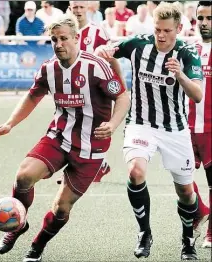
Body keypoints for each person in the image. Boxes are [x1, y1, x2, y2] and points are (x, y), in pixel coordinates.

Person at [0, 14, 130, 262]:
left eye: (64, 38)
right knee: (23, 176)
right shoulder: (48, 68)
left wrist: (113, 123)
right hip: (59, 136)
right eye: (54, 39)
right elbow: (33, 96)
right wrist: (10, 123)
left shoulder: (95, 67)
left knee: (61, 207)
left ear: (77, 39)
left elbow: (122, 97)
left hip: (91, 147)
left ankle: (37, 246)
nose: (58, 44)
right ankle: (18, 224)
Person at [95, 2, 203, 260]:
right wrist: (103, 50)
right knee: (136, 172)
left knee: (186, 192)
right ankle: (144, 233)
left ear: (178, 28)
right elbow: (107, 49)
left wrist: (181, 76)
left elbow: (197, 95)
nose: (161, 36)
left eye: (167, 30)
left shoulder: (187, 53)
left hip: (175, 129)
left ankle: (188, 240)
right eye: (157, 30)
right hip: (140, 123)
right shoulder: (138, 44)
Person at [56, 1, 111, 184]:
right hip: (72, 91)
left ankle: (99, 163)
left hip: (96, 91)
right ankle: (76, 166)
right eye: (74, 7)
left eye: (81, 7)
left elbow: (110, 57)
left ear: (87, 8)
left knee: (95, 129)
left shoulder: (98, 31)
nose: (78, 11)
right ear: (70, 8)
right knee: (69, 126)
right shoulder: (64, 32)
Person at [188, 1, 212, 248]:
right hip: (185, 126)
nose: (204, 23)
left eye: (209, 18)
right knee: (179, 176)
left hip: (211, 129)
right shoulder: (188, 49)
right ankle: (200, 209)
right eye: (201, 18)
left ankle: (211, 234)